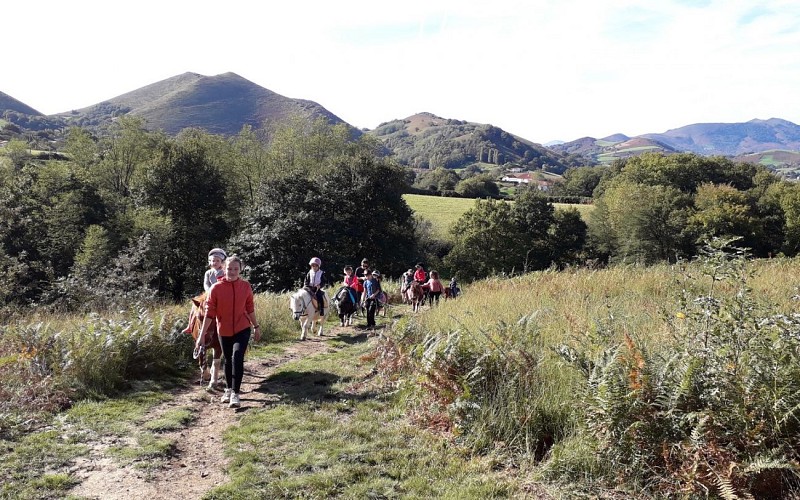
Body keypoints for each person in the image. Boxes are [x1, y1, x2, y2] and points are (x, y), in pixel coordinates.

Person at [197, 255, 260, 408]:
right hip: (223, 330)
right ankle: (228, 389)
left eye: (236, 269)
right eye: (229, 269)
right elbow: (209, 314)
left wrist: (256, 327)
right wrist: (201, 336)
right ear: (224, 268)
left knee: (237, 357)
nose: (232, 272)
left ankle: (235, 394)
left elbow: (250, 308)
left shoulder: (245, 286)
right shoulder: (216, 288)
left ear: (240, 270)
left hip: (242, 328)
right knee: (228, 359)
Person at [183, 248, 227, 334]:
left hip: (221, 294)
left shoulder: (224, 272)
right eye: (213, 261)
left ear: (222, 262)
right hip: (209, 293)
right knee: (195, 303)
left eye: (217, 261)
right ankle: (190, 325)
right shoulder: (208, 273)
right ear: (209, 262)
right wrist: (209, 291)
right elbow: (206, 283)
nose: (215, 263)